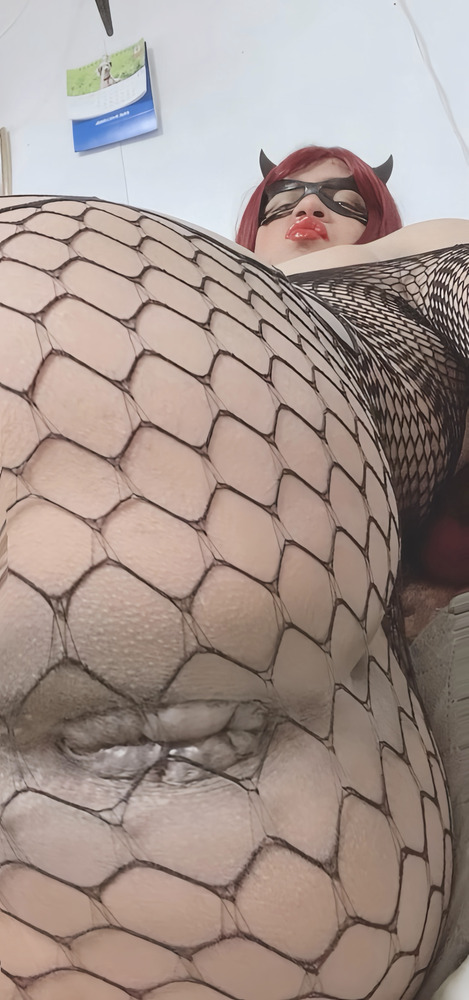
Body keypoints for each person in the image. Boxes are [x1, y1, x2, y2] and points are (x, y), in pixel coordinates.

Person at [0, 144, 467, 1000]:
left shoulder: (412, 253)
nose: (309, 209)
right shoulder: (171, 263)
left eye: (343, 199)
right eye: (283, 198)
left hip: (340, 365)